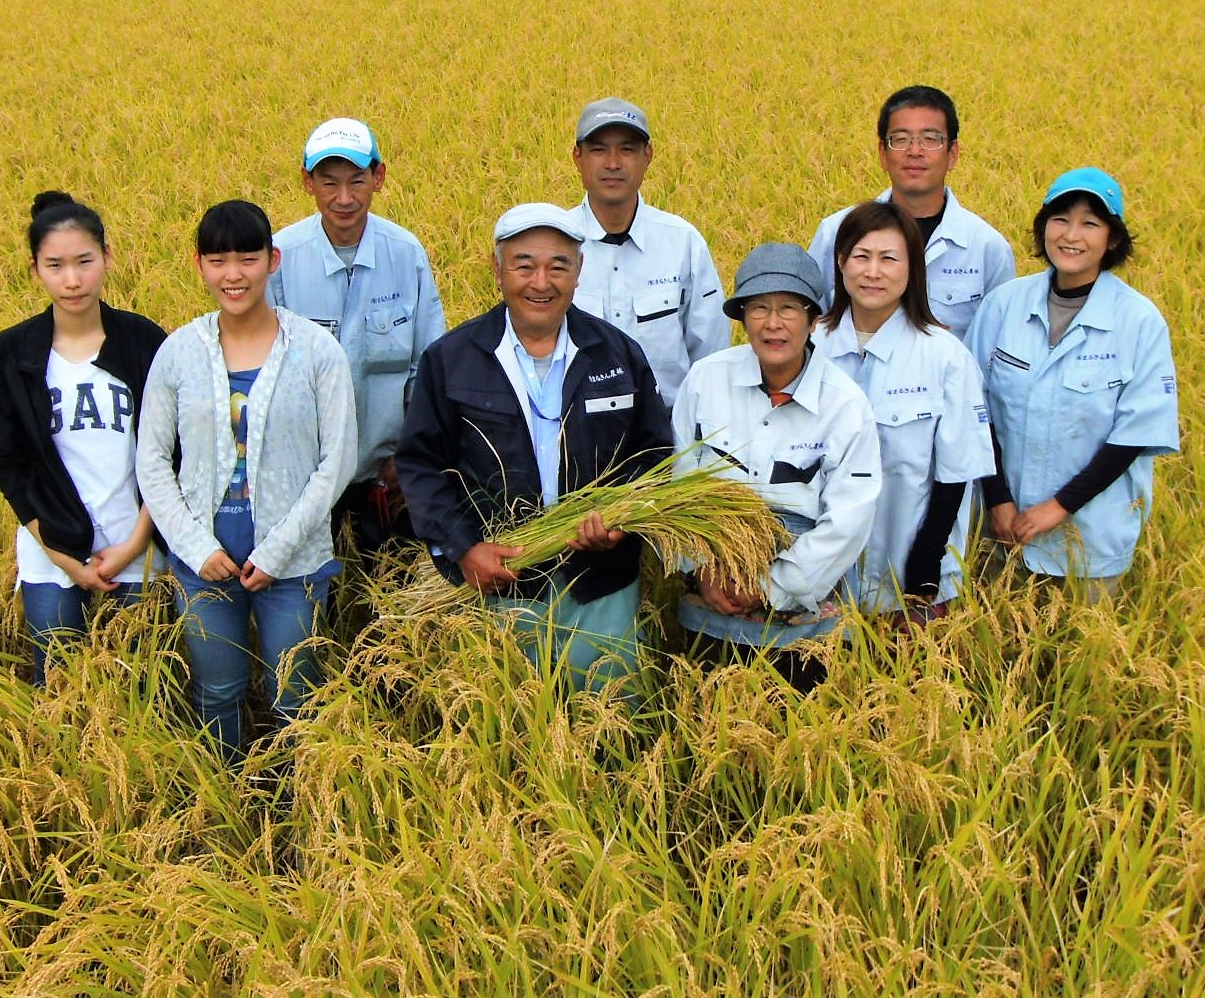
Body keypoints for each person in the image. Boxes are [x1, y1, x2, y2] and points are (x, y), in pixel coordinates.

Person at [395, 203, 674, 695]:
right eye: (524, 265)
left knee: (609, 724)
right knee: (504, 733)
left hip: (601, 586)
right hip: (498, 586)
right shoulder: (452, 360)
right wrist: (465, 549)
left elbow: (653, 455)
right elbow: (421, 465)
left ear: (579, 271)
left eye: (558, 266)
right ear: (498, 268)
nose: (541, 282)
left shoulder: (619, 354)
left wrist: (619, 518)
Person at [136, 200, 357, 764]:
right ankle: (229, 814)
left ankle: (303, 813)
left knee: (296, 700)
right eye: (218, 260)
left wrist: (280, 549)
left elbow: (338, 460)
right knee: (218, 694)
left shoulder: (316, 352)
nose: (233, 274)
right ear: (199, 265)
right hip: (203, 564)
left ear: (272, 260)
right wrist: (195, 547)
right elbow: (153, 460)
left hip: (293, 564)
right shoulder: (179, 353)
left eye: (247, 258)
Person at [672, 243, 882, 691]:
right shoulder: (706, 382)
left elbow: (849, 520)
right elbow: (681, 487)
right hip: (711, 603)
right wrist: (701, 569)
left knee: (802, 742)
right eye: (758, 308)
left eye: (788, 308)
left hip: (805, 622)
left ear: (813, 319)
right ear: (742, 316)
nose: (772, 323)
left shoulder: (844, 404)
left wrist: (769, 588)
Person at [0, 192, 167, 686]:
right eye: (55, 265)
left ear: (107, 256)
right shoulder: (10, 355)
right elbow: (7, 464)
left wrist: (134, 543)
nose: (72, 279)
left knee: (144, 683)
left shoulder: (145, 342)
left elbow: (170, 452)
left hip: (138, 544)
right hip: (52, 552)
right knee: (60, 688)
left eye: (84, 261)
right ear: (35, 268)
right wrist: (66, 559)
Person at [967, 168, 1179, 598]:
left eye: (1090, 223)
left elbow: (1135, 434)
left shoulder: (1138, 321)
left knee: (1077, 657)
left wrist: (1059, 508)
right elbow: (975, 408)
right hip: (1003, 529)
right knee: (996, 652)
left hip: (1090, 536)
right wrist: (999, 500)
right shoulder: (1004, 305)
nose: (1071, 235)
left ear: (1113, 239)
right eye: (1060, 219)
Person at [268, 118, 445, 554]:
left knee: (388, 597)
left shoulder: (406, 254)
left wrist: (408, 457)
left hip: (385, 476)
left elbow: (429, 367)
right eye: (329, 183)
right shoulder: (279, 257)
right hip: (302, 479)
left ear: (378, 178)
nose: (343, 198)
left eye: (356, 181)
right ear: (308, 182)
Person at [820, 201, 996, 624]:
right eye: (861, 256)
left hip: (910, 579)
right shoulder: (812, 348)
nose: (873, 272)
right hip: (821, 580)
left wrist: (926, 564)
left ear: (912, 268)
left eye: (889, 258)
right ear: (841, 262)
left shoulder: (945, 356)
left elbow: (956, 472)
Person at [807, 85, 1015, 339]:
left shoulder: (986, 246)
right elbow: (810, 324)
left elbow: (996, 342)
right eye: (900, 139)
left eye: (930, 139)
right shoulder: (836, 231)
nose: (914, 152)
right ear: (883, 154)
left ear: (952, 154)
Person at [566, 97, 727, 408]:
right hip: (573, 434)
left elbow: (711, 357)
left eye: (627, 149)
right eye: (598, 149)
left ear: (647, 156)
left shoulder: (683, 244)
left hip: (666, 437)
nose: (613, 163)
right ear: (578, 157)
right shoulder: (555, 245)